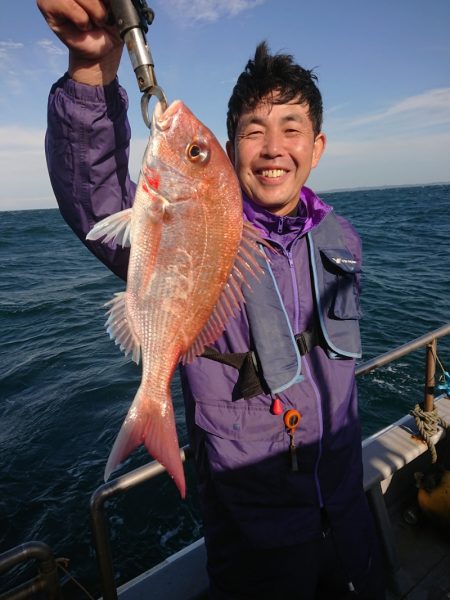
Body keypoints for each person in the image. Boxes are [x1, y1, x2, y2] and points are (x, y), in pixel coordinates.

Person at [38, 1, 386, 598]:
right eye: (254, 131)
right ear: (229, 149)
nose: (274, 148)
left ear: (318, 146)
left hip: (347, 507)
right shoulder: (203, 227)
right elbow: (93, 193)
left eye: (291, 129)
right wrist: (93, 72)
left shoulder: (342, 237)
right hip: (257, 527)